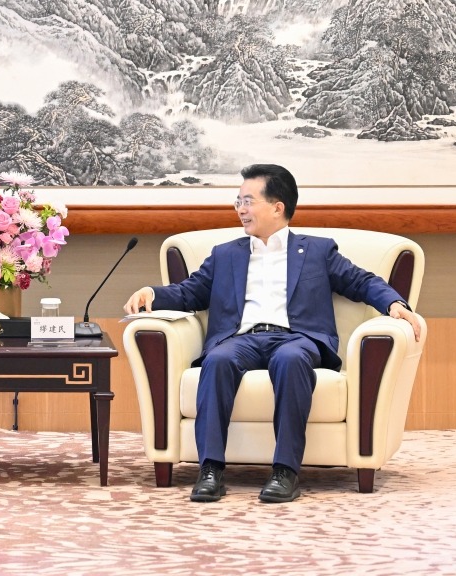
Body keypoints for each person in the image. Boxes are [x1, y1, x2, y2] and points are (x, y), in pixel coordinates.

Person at [124, 164, 422, 504]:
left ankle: (285, 471)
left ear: (277, 207)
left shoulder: (318, 251)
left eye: (248, 201)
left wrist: (394, 304)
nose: (240, 209)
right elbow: (190, 292)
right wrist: (153, 293)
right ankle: (210, 469)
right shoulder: (225, 254)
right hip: (241, 339)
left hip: (296, 338)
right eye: (238, 202)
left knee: (291, 360)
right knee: (217, 361)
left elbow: (360, 281)